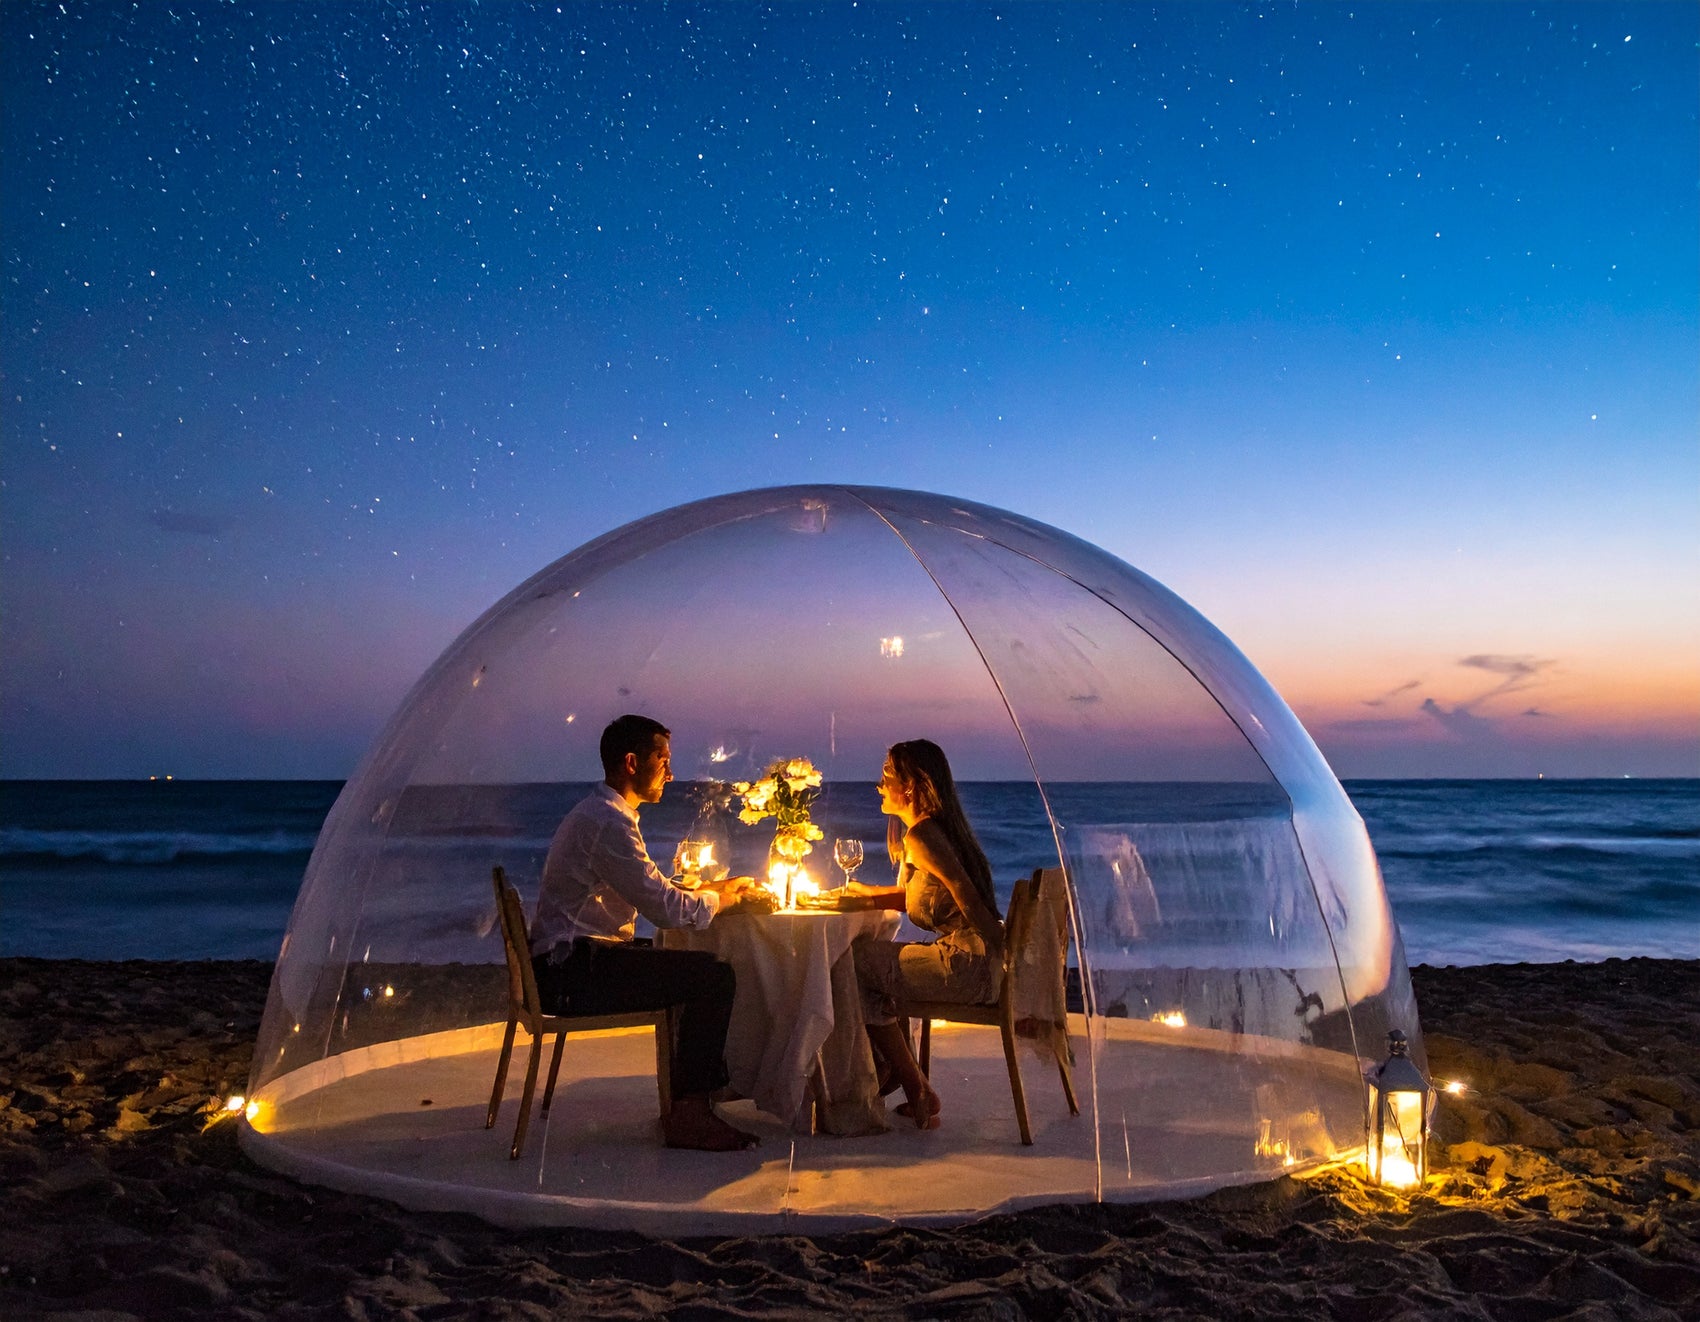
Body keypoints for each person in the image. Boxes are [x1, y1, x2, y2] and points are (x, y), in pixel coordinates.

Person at [531, 714, 759, 1152]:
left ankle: (691, 1098)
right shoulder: (609, 823)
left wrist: (713, 890)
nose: (671, 773)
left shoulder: (602, 814)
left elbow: (650, 887)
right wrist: (729, 901)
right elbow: (665, 911)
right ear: (632, 762)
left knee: (690, 967)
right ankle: (690, 1112)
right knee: (712, 977)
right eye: (663, 760)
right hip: (571, 973)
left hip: (565, 962)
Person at [849, 739, 1004, 1130]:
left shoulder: (922, 836)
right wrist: (862, 895)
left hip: (968, 965)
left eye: (887, 774)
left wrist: (1008, 953)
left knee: (854, 962)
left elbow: (968, 897)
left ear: (911, 786)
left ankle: (911, 1083)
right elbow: (918, 897)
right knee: (878, 961)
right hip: (975, 961)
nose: (879, 785)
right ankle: (900, 1076)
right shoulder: (931, 832)